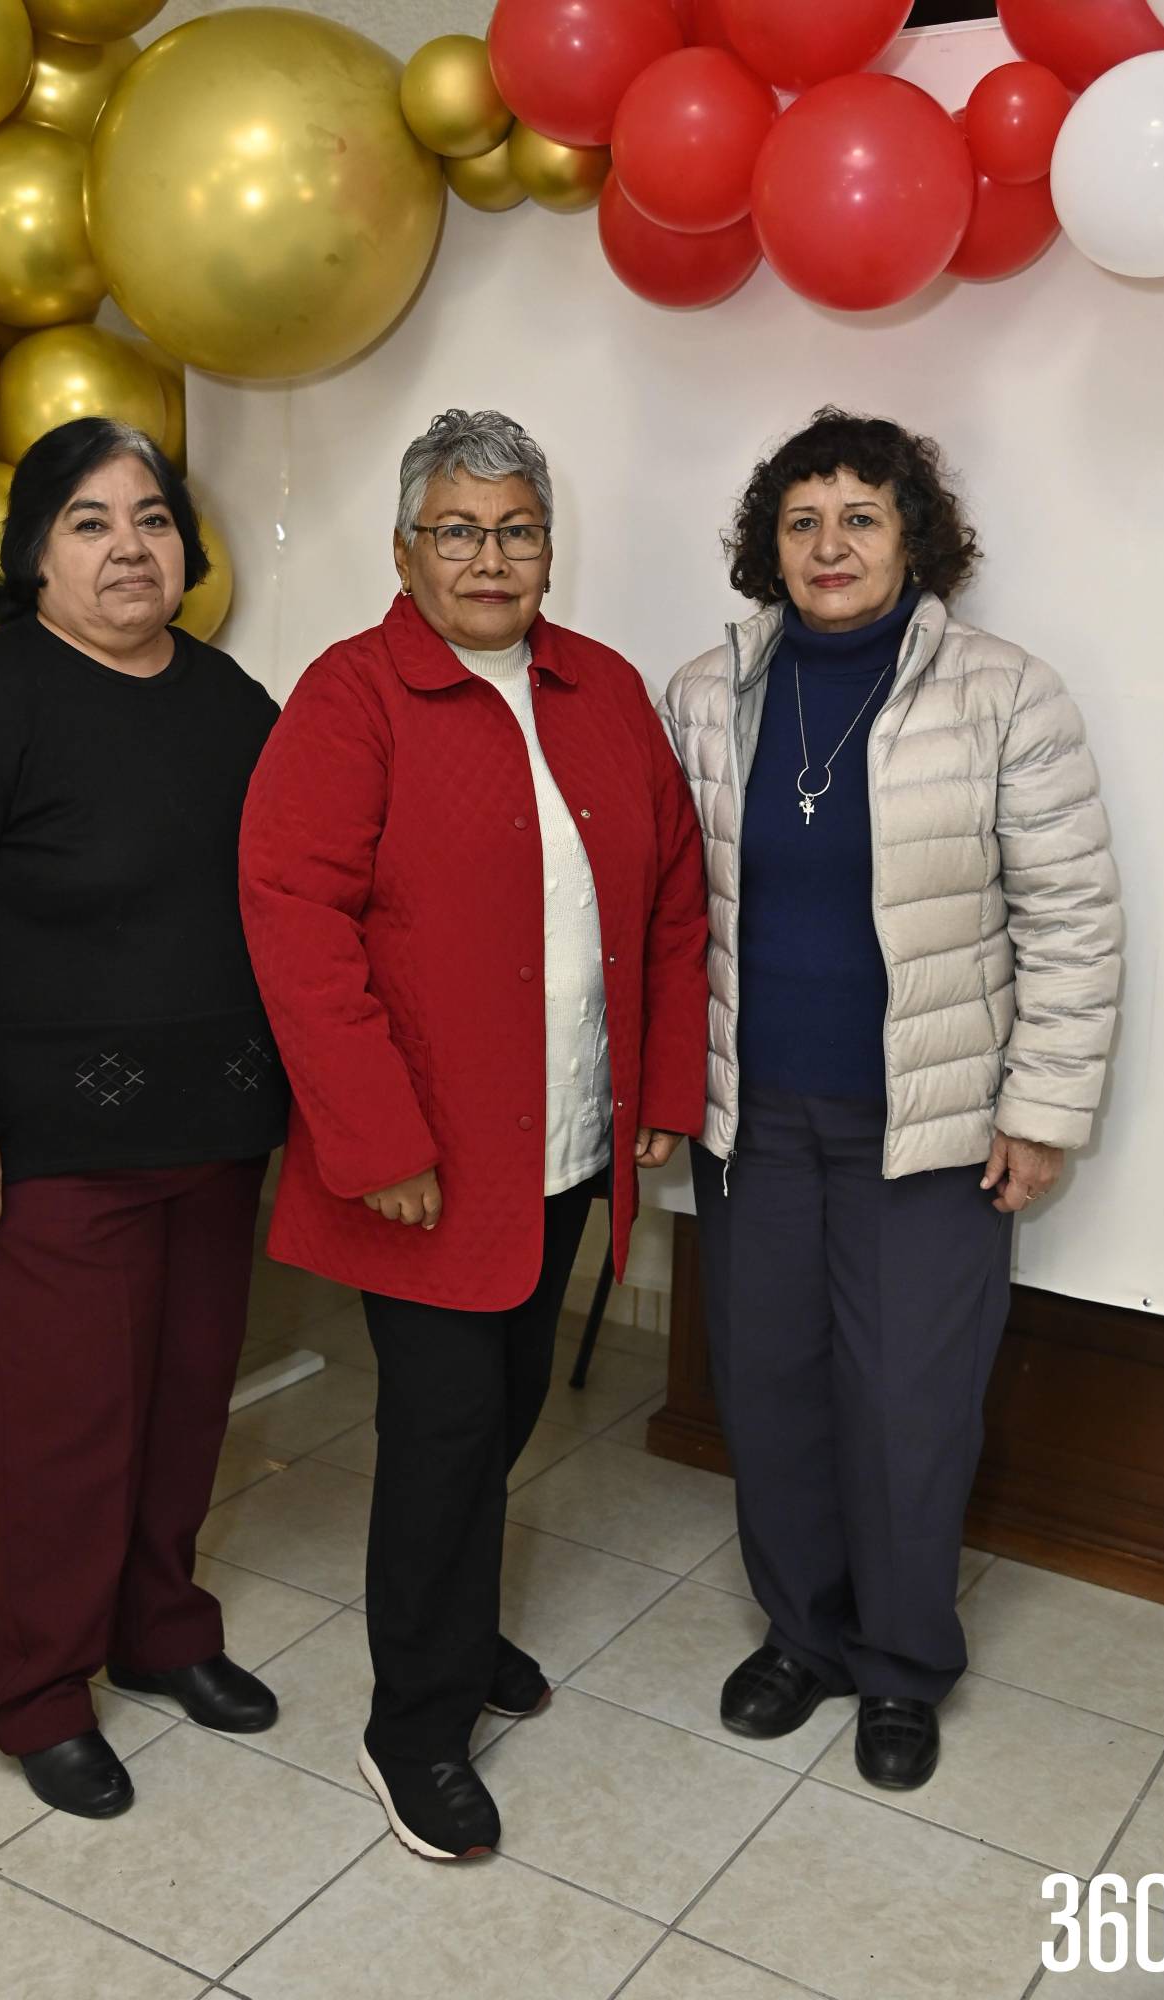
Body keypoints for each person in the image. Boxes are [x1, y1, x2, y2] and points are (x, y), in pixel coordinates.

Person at [239, 408, 708, 1861]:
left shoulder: (603, 689)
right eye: (460, 529)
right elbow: (292, 919)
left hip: (565, 1141)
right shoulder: (351, 697)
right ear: (405, 549)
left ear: (549, 551)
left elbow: (676, 903)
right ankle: (415, 1724)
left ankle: (452, 1623)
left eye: (515, 530)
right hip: (422, 1164)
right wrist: (374, 1139)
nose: (489, 556)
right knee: (444, 1433)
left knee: (504, 1411)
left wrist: (666, 1094)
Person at [0, 417, 290, 1820]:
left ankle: (159, 1636)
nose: (127, 548)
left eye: (149, 518)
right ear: (33, 556)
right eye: (87, 523)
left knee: (181, 1411)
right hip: (38, 1155)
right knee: (64, 1437)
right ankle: (37, 1691)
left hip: (211, 1140)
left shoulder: (229, 702)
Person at [660, 407, 1122, 1792]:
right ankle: (802, 1636)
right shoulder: (704, 694)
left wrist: (1041, 1108)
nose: (830, 543)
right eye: (802, 521)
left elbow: (1072, 918)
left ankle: (904, 1665)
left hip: (928, 1123)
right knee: (771, 1386)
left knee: (909, 1406)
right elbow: (666, 910)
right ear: (769, 548)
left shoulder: (1005, 693)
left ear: (914, 537)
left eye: (861, 515)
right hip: (757, 1120)